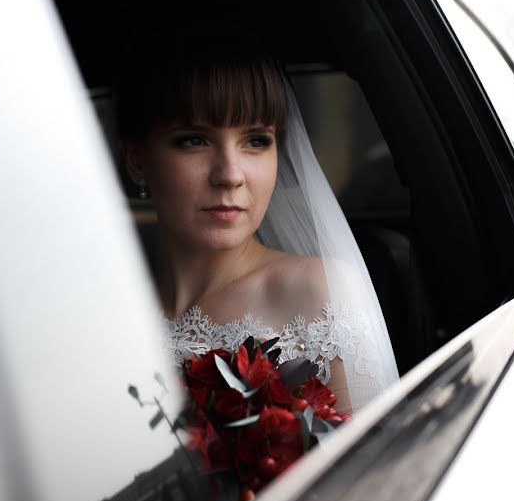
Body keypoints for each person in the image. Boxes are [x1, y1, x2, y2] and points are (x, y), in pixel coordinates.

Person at [115, 26, 398, 413]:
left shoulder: (321, 292)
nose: (230, 174)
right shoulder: (111, 314)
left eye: (256, 141)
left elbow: (374, 463)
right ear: (137, 160)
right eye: (194, 140)